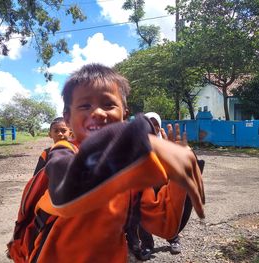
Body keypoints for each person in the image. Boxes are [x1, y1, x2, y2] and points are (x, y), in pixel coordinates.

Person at [28, 63, 205, 262]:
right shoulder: (62, 153)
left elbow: (164, 225)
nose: (98, 113)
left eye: (108, 104)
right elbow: (66, 196)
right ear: (67, 118)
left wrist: (178, 176)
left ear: (124, 114)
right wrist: (142, 135)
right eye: (85, 105)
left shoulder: (131, 171)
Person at [126, 112, 189, 260]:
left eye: (156, 125)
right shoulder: (136, 145)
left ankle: (173, 239)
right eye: (149, 125)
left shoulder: (166, 144)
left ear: (159, 127)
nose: (153, 129)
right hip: (144, 186)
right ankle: (147, 244)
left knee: (168, 211)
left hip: (163, 185)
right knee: (143, 216)